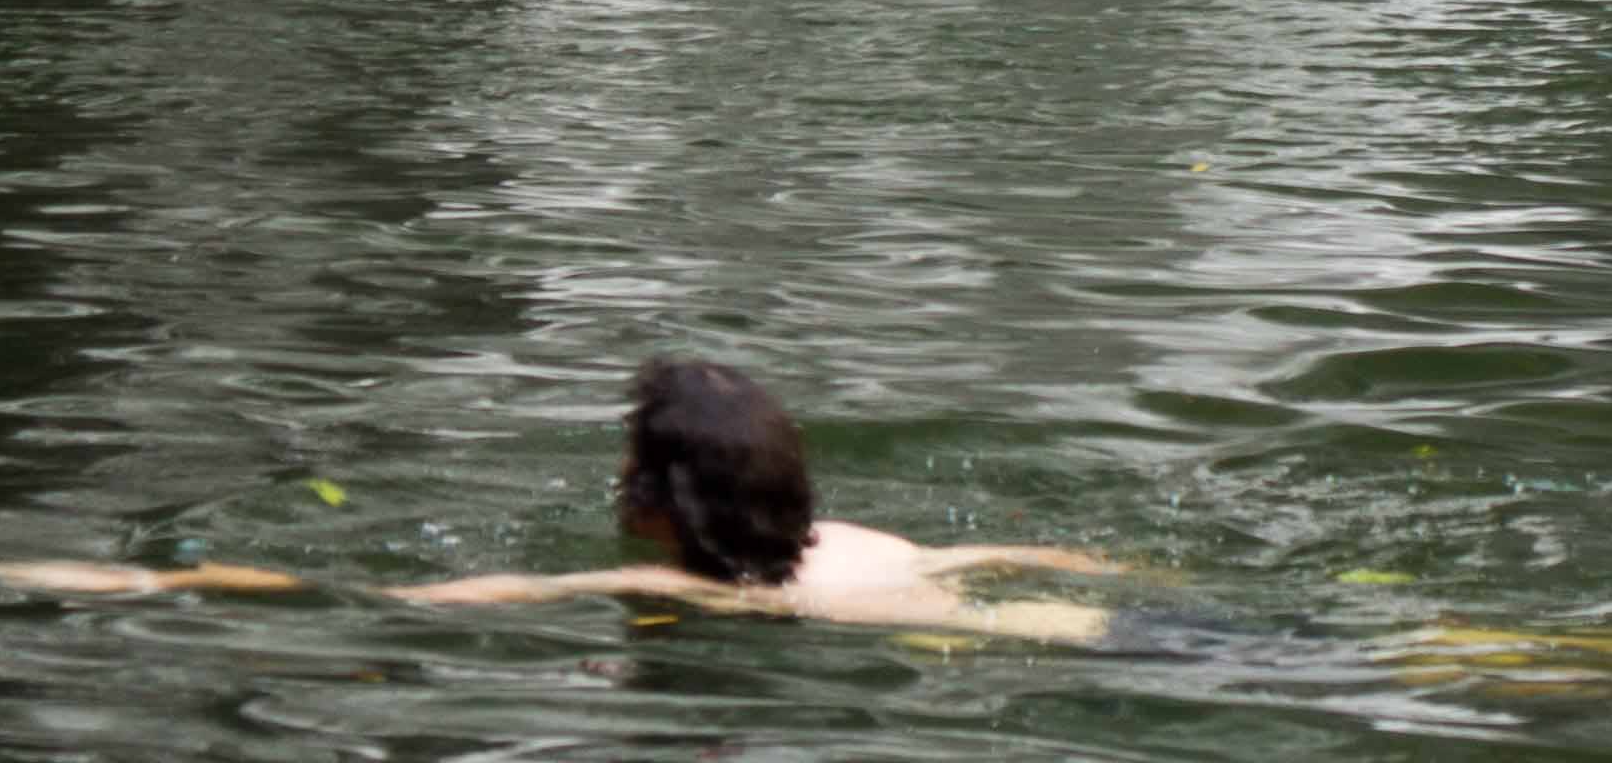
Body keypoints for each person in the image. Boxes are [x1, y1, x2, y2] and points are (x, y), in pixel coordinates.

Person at [394, 354, 1117, 642]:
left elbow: (517, 589)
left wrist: (329, 591)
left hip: (1067, 648)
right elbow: (1017, 555)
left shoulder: (692, 587)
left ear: (655, 498)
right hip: (1113, 628)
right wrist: (1122, 572)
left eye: (631, 454)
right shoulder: (852, 540)